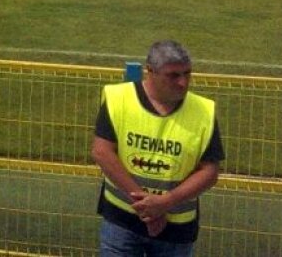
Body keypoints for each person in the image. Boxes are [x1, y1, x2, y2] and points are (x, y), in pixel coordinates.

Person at [91, 40, 223, 255]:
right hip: (122, 221)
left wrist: (166, 202)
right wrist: (148, 208)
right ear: (150, 72)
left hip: (176, 229)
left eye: (187, 74)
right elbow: (102, 152)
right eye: (173, 75)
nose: (183, 82)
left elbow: (209, 171)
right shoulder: (119, 99)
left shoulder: (203, 112)